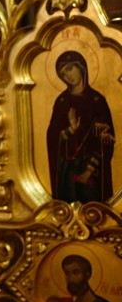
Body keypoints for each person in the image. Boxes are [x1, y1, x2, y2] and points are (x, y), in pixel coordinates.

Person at [46, 50, 116, 203]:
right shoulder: (62, 101)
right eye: (63, 74)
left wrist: (90, 169)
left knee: (93, 206)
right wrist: (71, 129)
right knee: (68, 207)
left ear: (81, 67)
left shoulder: (97, 100)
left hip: (92, 169)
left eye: (70, 69)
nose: (67, 76)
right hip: (68, 170)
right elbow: (52, 137)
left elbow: (107, 139)